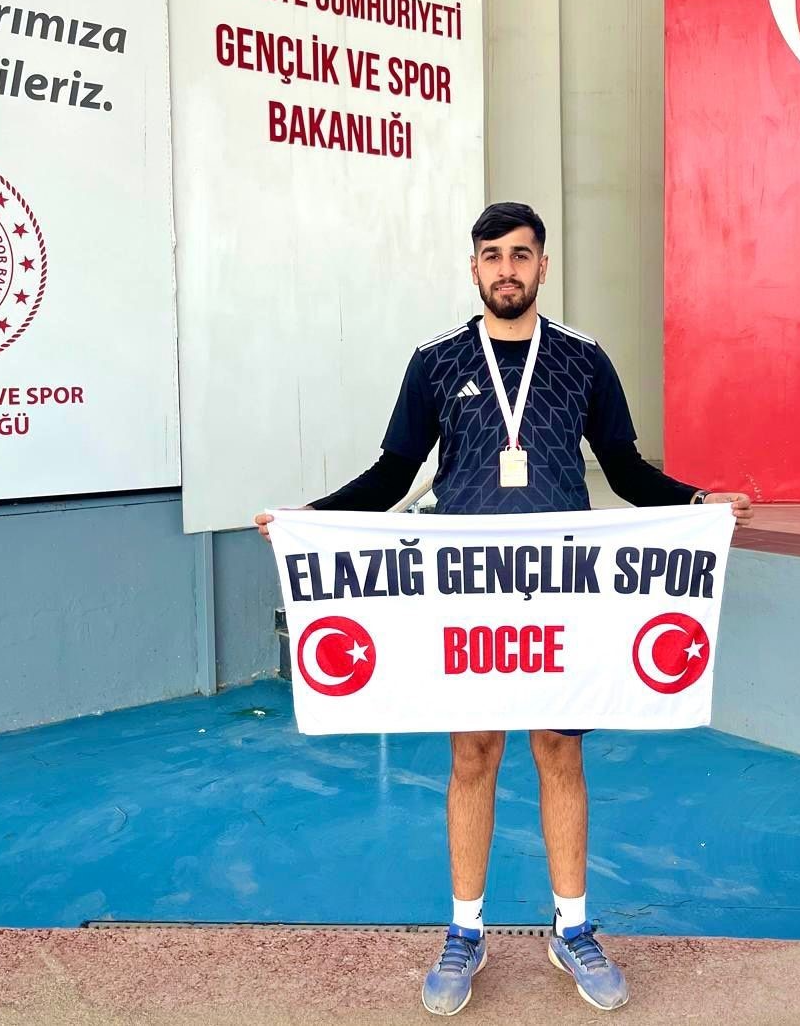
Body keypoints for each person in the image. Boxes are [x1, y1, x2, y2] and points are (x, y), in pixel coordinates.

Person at [255, 202, 754, 1016]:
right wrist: (309, 520)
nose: (507, 269)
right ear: (474, 267)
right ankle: (464, 932)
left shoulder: (583, 359)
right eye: (492, 255)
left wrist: (697, 501)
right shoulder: (435, 361)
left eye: (521, 254)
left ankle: (572, 927)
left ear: (543, 266)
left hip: (560, 590)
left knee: (559, 752)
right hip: (467, 592)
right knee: (473, 754)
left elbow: (625, 468)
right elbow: (392, 475)